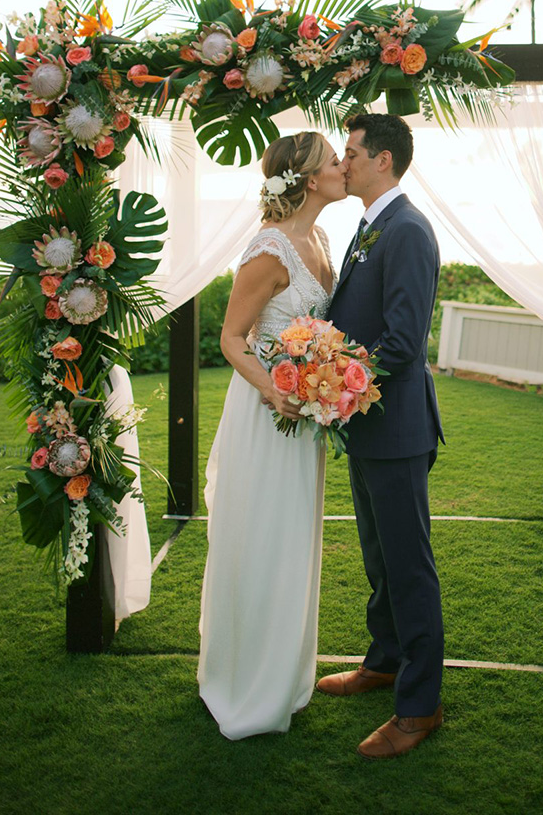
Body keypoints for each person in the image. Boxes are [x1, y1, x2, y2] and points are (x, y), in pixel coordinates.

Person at [197, 131, 347, 739]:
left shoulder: (323, 239)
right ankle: (244, 681)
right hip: (267, 411)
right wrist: (274, 389)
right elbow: (232, 338)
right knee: (260, 534)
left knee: (293, 537)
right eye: (335, 161)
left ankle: (284, 674)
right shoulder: (269, 248)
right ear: (310, 179)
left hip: (305, 413)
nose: (344, 167)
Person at [319, 112, 445, 760]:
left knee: (408, 565)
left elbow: (401, 342)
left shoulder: (408, 231)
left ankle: (419, 707)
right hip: (365, 424)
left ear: (383, 160)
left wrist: (329, 383)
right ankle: (386, 659)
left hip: (394, 427)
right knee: (378, 557)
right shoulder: (371, 226)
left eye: (351, 153)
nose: (343, 163)